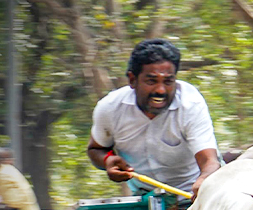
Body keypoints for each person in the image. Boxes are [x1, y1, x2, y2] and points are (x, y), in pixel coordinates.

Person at [87, 38, 220, 199]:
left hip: (192, 196)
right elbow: (96, 149)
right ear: (132, 80)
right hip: (144, 199)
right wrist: (108, 160)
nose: (161, 90)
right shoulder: (109, 108)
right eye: (151, 81)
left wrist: (204, 181)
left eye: (168, 81)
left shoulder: (190, 104)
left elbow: (209, 161)